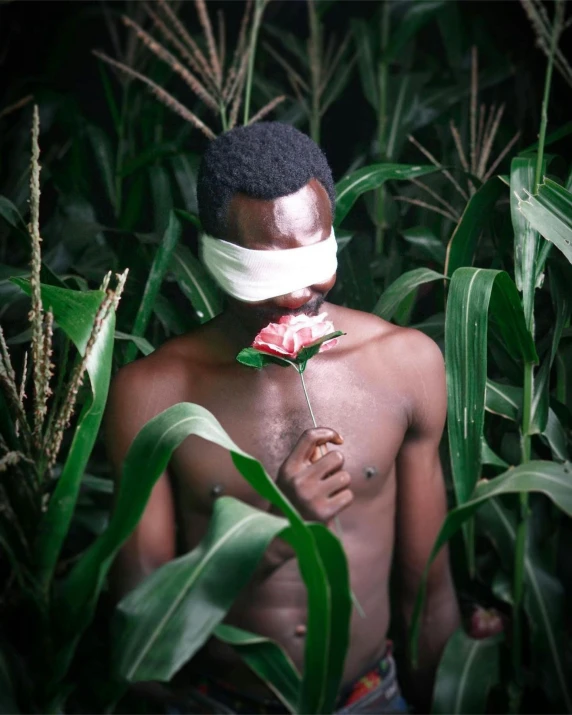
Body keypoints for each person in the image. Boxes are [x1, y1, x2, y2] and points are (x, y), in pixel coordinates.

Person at [104, 122, 460, 713]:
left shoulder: (405, 365)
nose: (297, 294)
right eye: (268, 270)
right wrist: (276, 525)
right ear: (213, 254)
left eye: (314, 256)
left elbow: (430, 588)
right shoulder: (154, 395)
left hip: (373, 696)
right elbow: (147, 630)